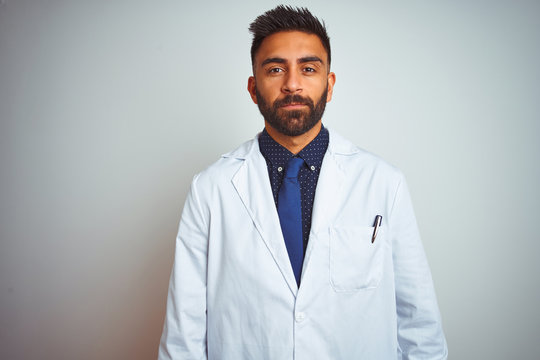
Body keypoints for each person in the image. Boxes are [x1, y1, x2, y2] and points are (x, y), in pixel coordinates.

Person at [158, 5, 448, 360]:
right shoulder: (210, 189)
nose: (292, 84)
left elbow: (419, 327)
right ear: (253, 88)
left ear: (329, 84)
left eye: (308, 69)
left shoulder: (384, 183)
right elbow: (183, 337)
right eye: (275, 69)